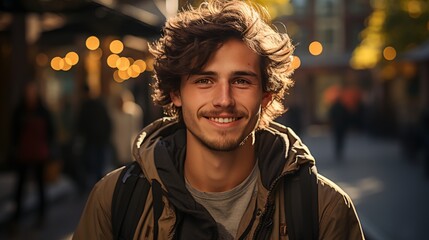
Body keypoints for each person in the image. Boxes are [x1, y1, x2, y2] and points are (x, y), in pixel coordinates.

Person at [73, 0, 364, 239]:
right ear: (175, 92)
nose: (223, 100)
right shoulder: (115, 200)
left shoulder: (324, 208)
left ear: (266, 95)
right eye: (204, 80)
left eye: (241, 81)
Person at [10, 81, 55, 223]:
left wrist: (47, 148)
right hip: (23, 153)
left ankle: (41, 216)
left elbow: (50, 132)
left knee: (40, 186)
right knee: (20, 186)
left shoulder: (43, 111)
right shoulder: (20, 110)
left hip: (39, 154)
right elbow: (14, 132)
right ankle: (17, 217)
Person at [75, 84, 113, 189]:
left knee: (93, 165)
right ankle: (99, 186)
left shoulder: (86, 106)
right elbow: (108, 122)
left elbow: (80, 124)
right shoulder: (99, 105)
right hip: (98, 140)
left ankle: (96, 187)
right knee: (98, 166)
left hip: (92, 140)